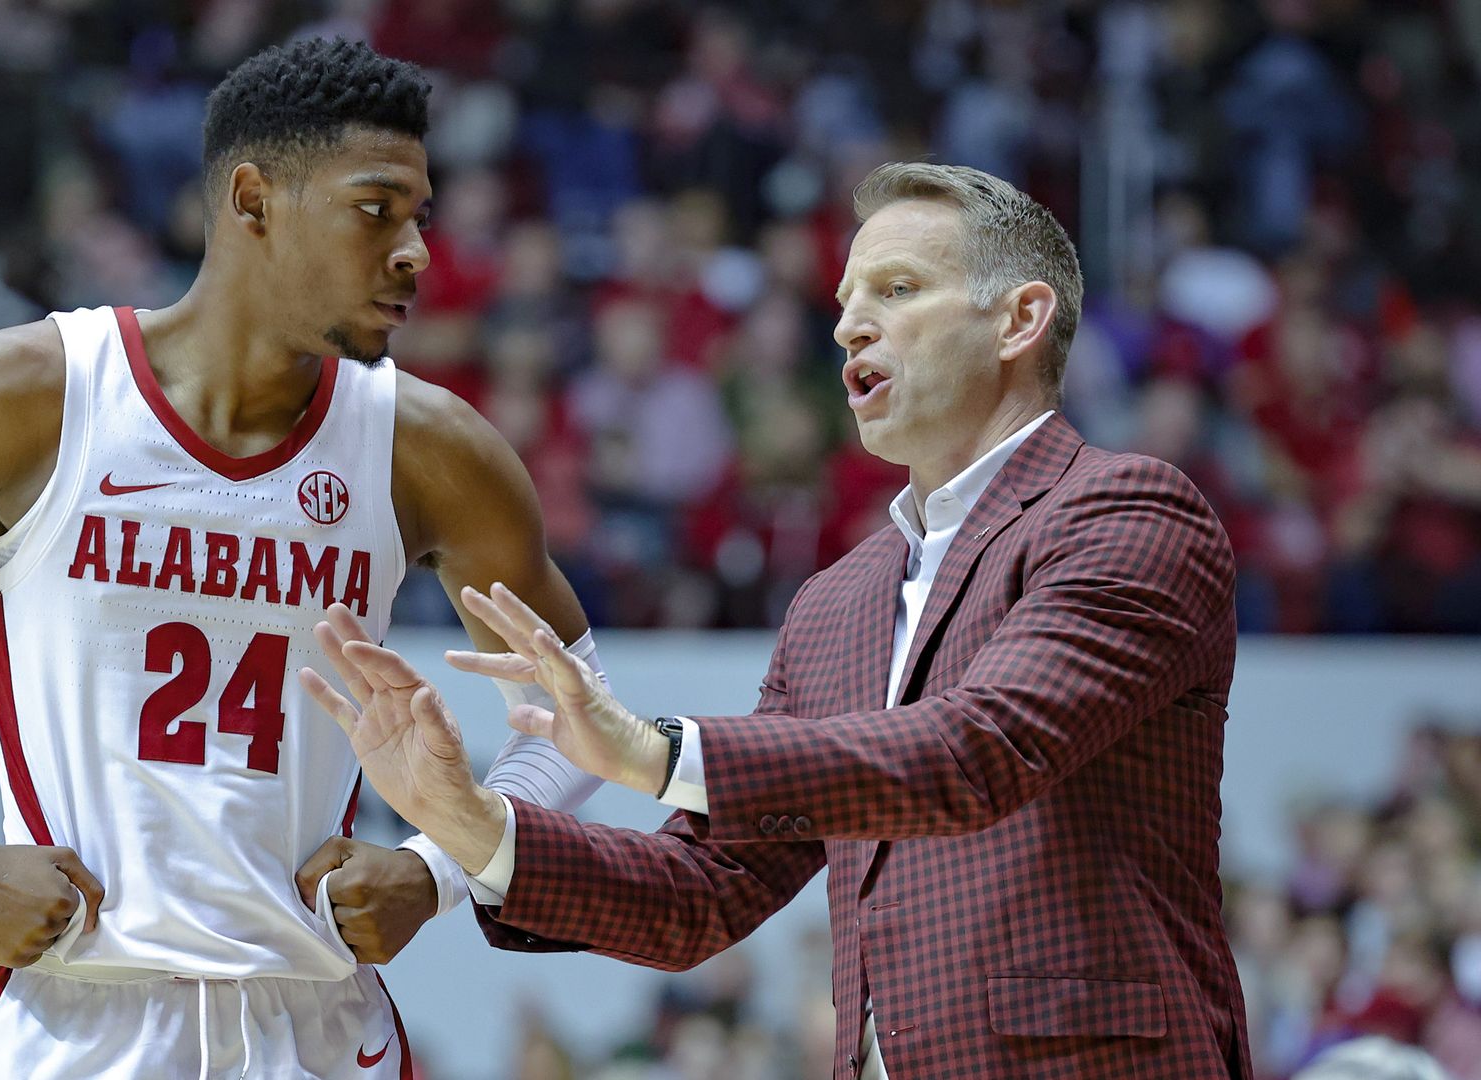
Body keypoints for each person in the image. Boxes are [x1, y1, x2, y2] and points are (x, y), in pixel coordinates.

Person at [0, 37, 606, 1079]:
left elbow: (578, 695)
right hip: (80, 1015)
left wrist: (440, 868)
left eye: (420, 217)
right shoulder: (24, 393)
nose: (414, 252)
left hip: (317, 1022)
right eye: (377, 209)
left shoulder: (431, 447)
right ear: (252, 198)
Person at [303, 162, 1254, 1078]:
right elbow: (702, 896)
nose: (849, 328)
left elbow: (976, 753)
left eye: (897, 288)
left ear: (1018, 319)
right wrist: (471, 825)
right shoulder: (834, 604)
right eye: (844, 302)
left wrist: (651, 753)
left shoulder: (1127, 513)